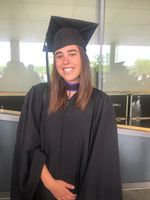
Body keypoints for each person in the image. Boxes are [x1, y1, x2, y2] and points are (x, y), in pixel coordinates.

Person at [11, 16, 122, 200]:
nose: (65, 61)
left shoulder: (101, 103)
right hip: (43, 191)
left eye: (72, 53)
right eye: (59, 55)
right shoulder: (38, 96)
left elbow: (102, 163)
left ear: (83, 58)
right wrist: (51, 184)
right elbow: (28, 146)